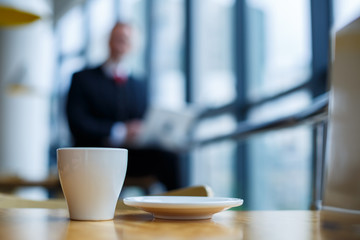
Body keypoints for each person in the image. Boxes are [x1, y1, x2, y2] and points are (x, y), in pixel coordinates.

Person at [66, 22, 181, 191]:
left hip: (131, 155)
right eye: (117, 38)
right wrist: (119, 131)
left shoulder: (140, 85)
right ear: (108, 41)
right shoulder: (83, 79)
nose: (121, 43)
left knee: (170, 157)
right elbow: (77, 122)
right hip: (96, 154)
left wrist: (144, 131)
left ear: (133, 46)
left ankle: (178, 211)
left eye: (126, 39)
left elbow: (144, 119)